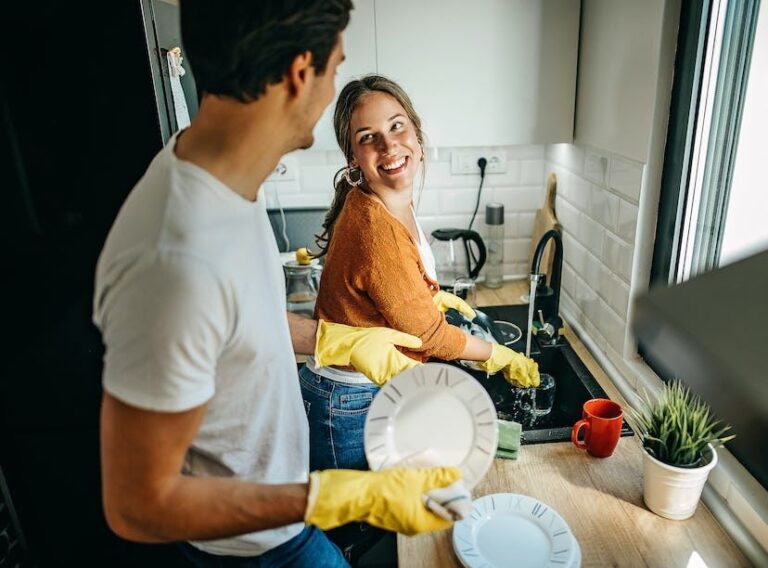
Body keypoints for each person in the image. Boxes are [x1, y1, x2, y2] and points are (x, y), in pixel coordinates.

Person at [93, 3, 465, 567]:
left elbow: (235, 327)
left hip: (282, 510)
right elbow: (136, 504)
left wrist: (330, 340)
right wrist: (330, 497)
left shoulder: (228, 180)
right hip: (258, 548)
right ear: (299, 73)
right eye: (334, 66)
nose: (333, 85)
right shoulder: (174, 258)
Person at [298, 74, 540, 558]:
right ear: (353, 157)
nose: (390, 145)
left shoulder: (386, 200)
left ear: (418, 132)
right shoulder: (375, 227)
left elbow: (395, 291)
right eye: (369, 138)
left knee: (372, 529)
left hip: (362, 390)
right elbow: (429, 336)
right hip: (346, 402)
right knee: (352, 538)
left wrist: (432, 295)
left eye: (398, 126)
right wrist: (497, 356)